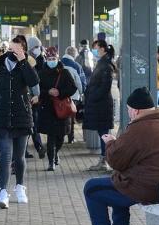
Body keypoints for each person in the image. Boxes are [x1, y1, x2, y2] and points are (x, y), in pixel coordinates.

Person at [77, 87, 159, 225]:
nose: (128, 113)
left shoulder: (139, 128)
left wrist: (110, 143)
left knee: (92, 188)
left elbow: (116, 160)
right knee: (117, 180)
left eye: (128, 110)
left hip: (149, 188)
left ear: (135, 111)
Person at [0, 34, 39, 208]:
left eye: (16, 49)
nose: (12, 52)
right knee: (5, 157)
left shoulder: (26, 66)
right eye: (10, 49)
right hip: (1, 117)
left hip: (22, 117)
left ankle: (20, 186)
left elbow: (34, 84)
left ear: (23, 50)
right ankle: (2, 192)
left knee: (19, 157)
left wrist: (23, 61)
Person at [37, 47, 78, 171]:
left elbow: (73, 88)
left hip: (61, 110)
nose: (51, 61)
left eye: (53, 58)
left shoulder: (64, 72)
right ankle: (51, 161)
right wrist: (48, 92)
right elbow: (37, 90)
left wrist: (59, 93)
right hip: (47, 108)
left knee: (60, 136)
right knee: (51, 136)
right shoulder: (41, 73)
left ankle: (56, 153)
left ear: (58, 58)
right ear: (46, 59)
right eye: (49, 59)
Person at [83, 39, 116, 172]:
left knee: (104, 133)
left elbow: (104, 87)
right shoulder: (102, 63)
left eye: (95, 48)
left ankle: (105, 160)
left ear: (102, 48)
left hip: (102, 105)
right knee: (103, 133)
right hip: (100, 105)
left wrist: (92, 96)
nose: (94, 50)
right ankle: (104, 159)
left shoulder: (106, 66)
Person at [26, 36, 46, 159]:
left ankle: (37, 147)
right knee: (31, 123)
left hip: (36, 97)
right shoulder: (27, 60)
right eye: (35, 47)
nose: (38, 49)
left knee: (32, 123)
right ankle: (37, 147)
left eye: (39, 47)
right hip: (31, 96)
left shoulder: (41, 60)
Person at [62, 46, 86, 143]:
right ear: (74, 54)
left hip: (60, 96)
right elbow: (80, 82)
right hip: (73, 96)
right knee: (71, 117)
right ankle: (70, 138)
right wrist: (81, 93)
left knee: (60, 115)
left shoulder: (58, 63)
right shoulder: (76, 66)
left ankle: (60, 135)